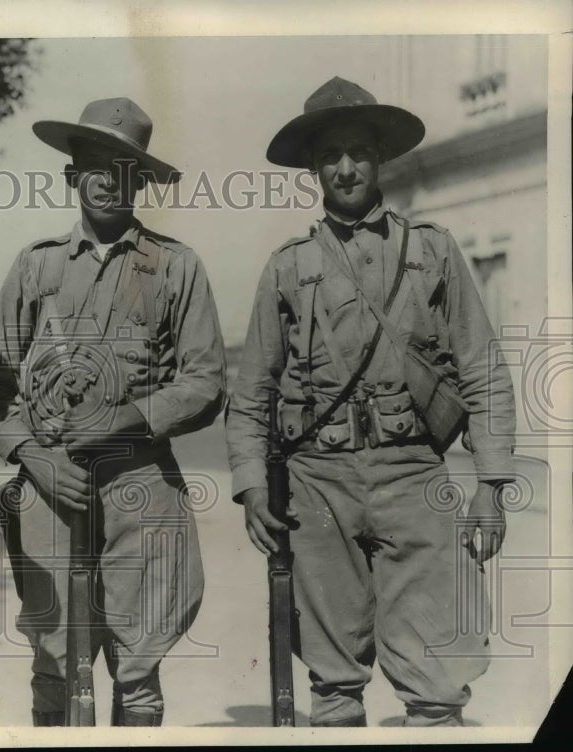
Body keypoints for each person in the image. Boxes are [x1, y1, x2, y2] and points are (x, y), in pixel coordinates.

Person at [226, 76, 516, 727]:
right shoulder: (288, 267)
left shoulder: (432, 251)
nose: (346, 168)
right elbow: (252, 393)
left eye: (358, 152)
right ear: (313, 166)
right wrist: (251, 485)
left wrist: (492, 485)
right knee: (332, 685)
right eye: (330, 155)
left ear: (380, 157)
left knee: (438, 678)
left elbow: (483, 370)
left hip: (414, 474)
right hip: (318, 485)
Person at [0, 97, 226, 726]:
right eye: (95, 166)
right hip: (50, 482)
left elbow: (205, 382)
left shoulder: (176, 267)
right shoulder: (37, 266)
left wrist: (126, 418)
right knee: (54, 664)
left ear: (142, 181)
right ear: (71, 175)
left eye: (125, 168)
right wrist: (32, 457)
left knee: (139, 669)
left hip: (141, 480)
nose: (110, 181)